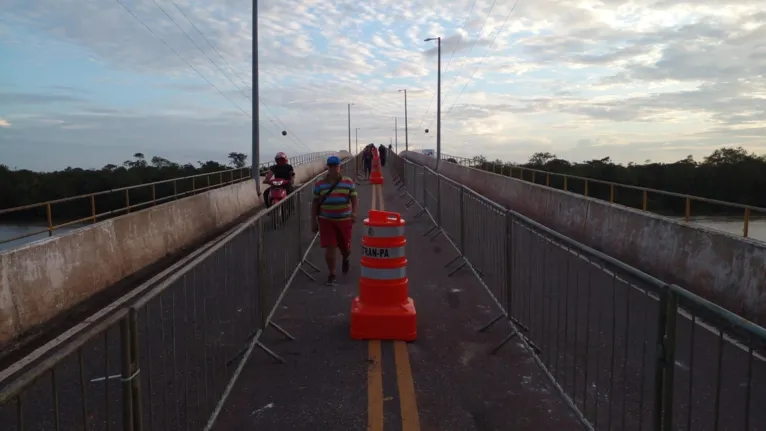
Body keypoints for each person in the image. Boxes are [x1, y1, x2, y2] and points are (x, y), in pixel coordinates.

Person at [312, 156, 359, 285]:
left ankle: (345, 257)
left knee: (345, 247)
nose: (333, 169)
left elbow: (354, 198)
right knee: (330, 247)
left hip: (344, 220)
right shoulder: (320, 184)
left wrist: (354, 213)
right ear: (328, 167)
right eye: (331, 166)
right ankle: (332, 273)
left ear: (340, 167)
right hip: (326, 220)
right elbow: (315, 203)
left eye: (336, 166)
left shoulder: (348, 182)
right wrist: (313, 221)